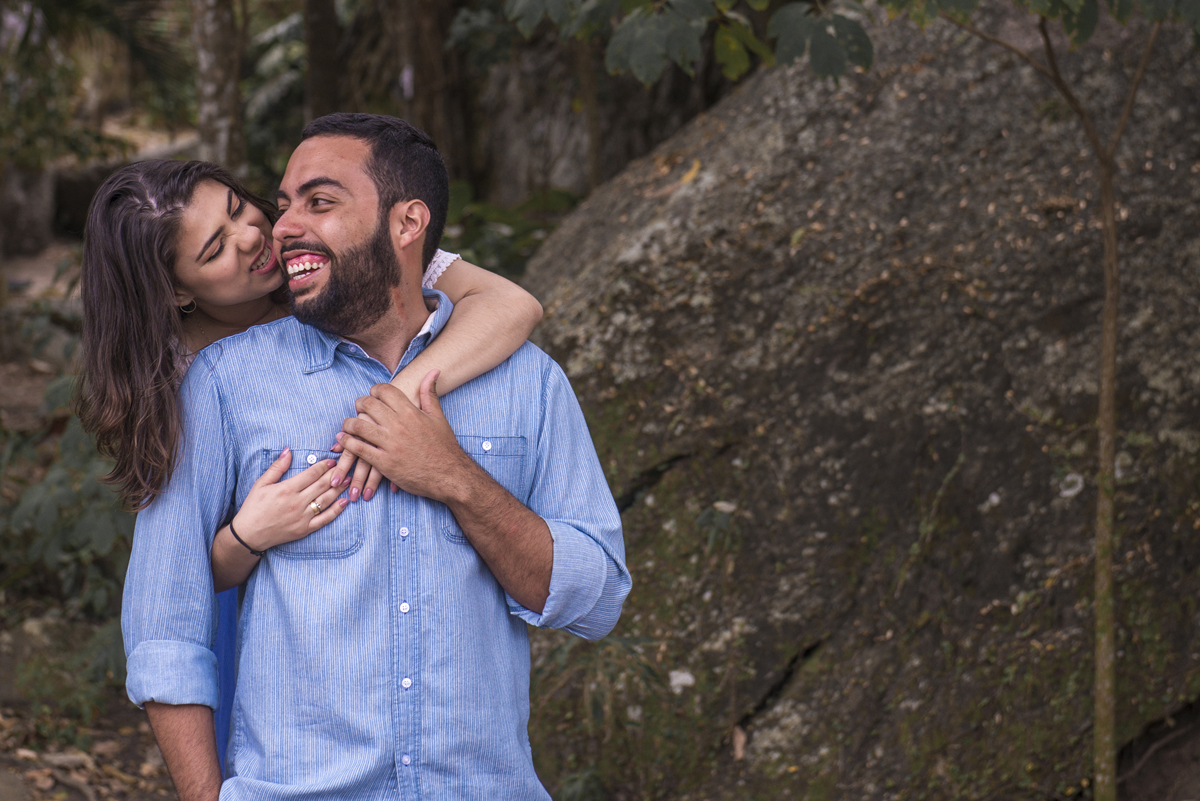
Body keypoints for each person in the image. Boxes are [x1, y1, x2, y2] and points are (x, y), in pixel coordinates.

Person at [121, 113, 630, 801]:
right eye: (283, 204)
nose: (274, 230)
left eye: (317, 202)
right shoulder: (218, 382)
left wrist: (451, 473)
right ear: (183, 290)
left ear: (408, 222)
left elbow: (597, 600)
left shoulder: (526, 380)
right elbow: (165, 625)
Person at [76, 159, 543, 766]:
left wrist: (394, 400)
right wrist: (246, 537)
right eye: (216, 249)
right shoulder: (183, 376)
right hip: (260, 611)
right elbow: (176, 573)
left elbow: (512, 305)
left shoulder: (337, 255)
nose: (252, 237)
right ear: (177, 291)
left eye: (240, 209)